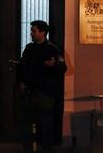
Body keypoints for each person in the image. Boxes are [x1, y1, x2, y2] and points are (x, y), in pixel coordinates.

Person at [17, 20, 67, 153]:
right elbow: (22, 66)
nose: (31, 33)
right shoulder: (29, 48)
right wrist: (21, 82)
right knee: (27, 126)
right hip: (29, 93)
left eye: (34, 31)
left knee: (45, 127)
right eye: (31, 31)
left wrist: (54, 64)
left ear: (42, 33)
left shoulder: (53, 49)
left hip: (44, 94)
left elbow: (63, 67)